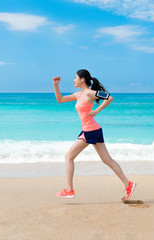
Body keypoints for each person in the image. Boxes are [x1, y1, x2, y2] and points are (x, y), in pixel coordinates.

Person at [53, 69, 137, 199]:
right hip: (93, 129)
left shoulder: (89, 93)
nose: (73, 80)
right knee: (107, 160)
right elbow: (60, 99)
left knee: (68, 157)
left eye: (75, 78)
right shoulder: (78, 95)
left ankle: (70, 190)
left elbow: (109, 98)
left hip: (90, 130)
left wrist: (97, 110)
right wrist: (56, 84)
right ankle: (128, 184)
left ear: (82, 79)